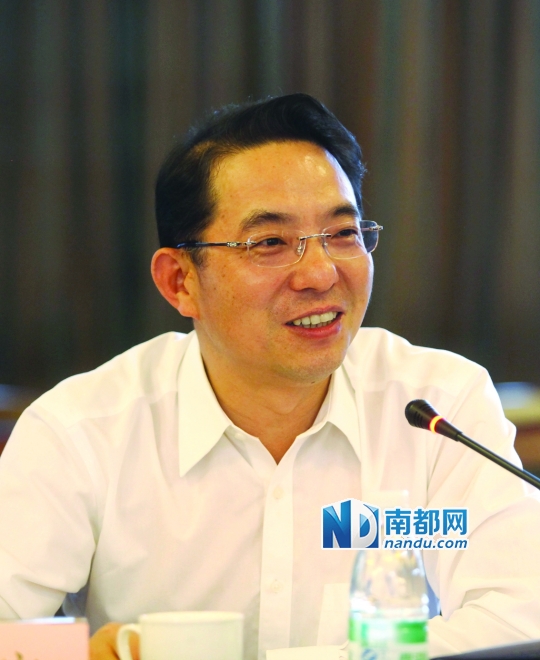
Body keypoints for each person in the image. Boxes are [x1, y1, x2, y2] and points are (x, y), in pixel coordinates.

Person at [0, 94, 539, 660]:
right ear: (180, 281)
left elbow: (518, 615)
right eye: (270, 243)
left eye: (343, 233)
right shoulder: (82, 431)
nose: (320, 273)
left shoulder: (438, 408)